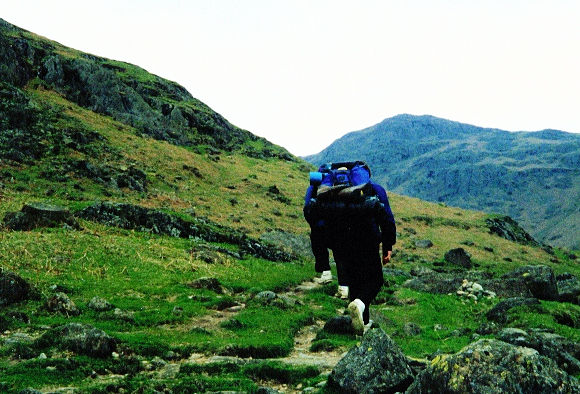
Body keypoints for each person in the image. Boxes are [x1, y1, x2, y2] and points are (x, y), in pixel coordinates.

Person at [304, 162, 396, 334]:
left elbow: (309, 212)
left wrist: (324, 243)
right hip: (367, 238)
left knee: (354, 281)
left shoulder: (327, 190)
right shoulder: (373, 189)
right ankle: (360, 306)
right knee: (374, 280)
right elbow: (387, 217)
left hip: (338, 239)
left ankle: (363, 324)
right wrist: (388, 244)